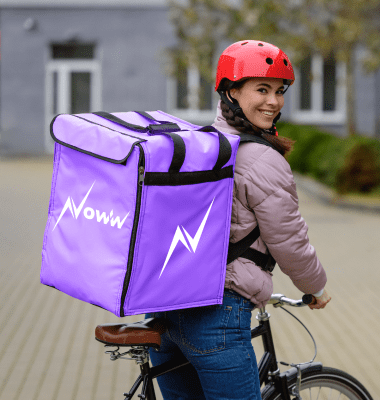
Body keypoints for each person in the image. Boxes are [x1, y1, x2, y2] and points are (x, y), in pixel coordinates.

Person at [148, 40, 331, 400]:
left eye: (279, 91)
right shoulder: (261, 159)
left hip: (166, 310)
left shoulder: (202, 143)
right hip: (218, 316)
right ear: (231, 91)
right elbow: (289, 241)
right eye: (262, 89)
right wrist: (316, 287)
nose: (273, 101)